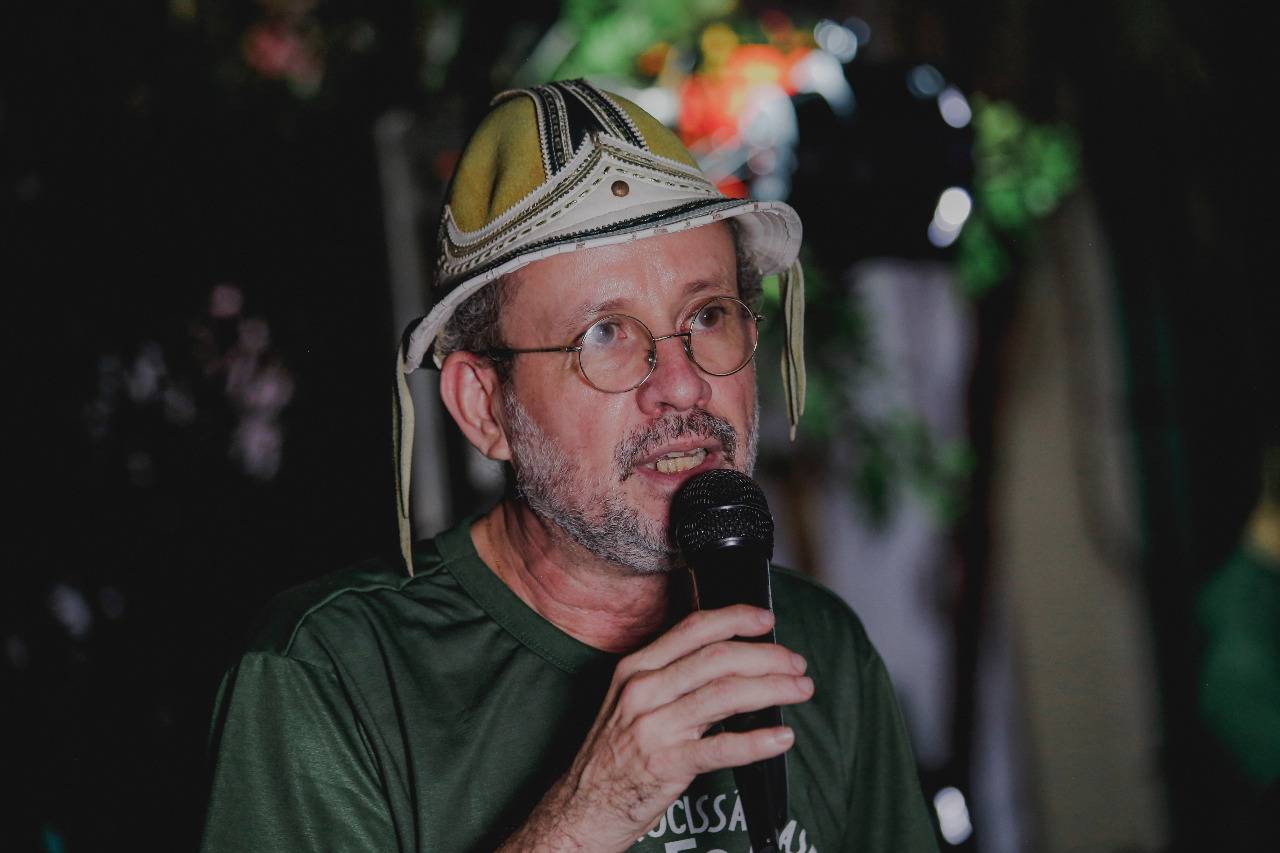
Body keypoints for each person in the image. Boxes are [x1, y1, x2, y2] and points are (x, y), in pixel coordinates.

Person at [200, 79, 938, 852]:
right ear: (486, 407)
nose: (684, 384)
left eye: (708, 315)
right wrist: (597, 806)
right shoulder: (330, 674)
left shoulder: (820, 647)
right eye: (605, 335)